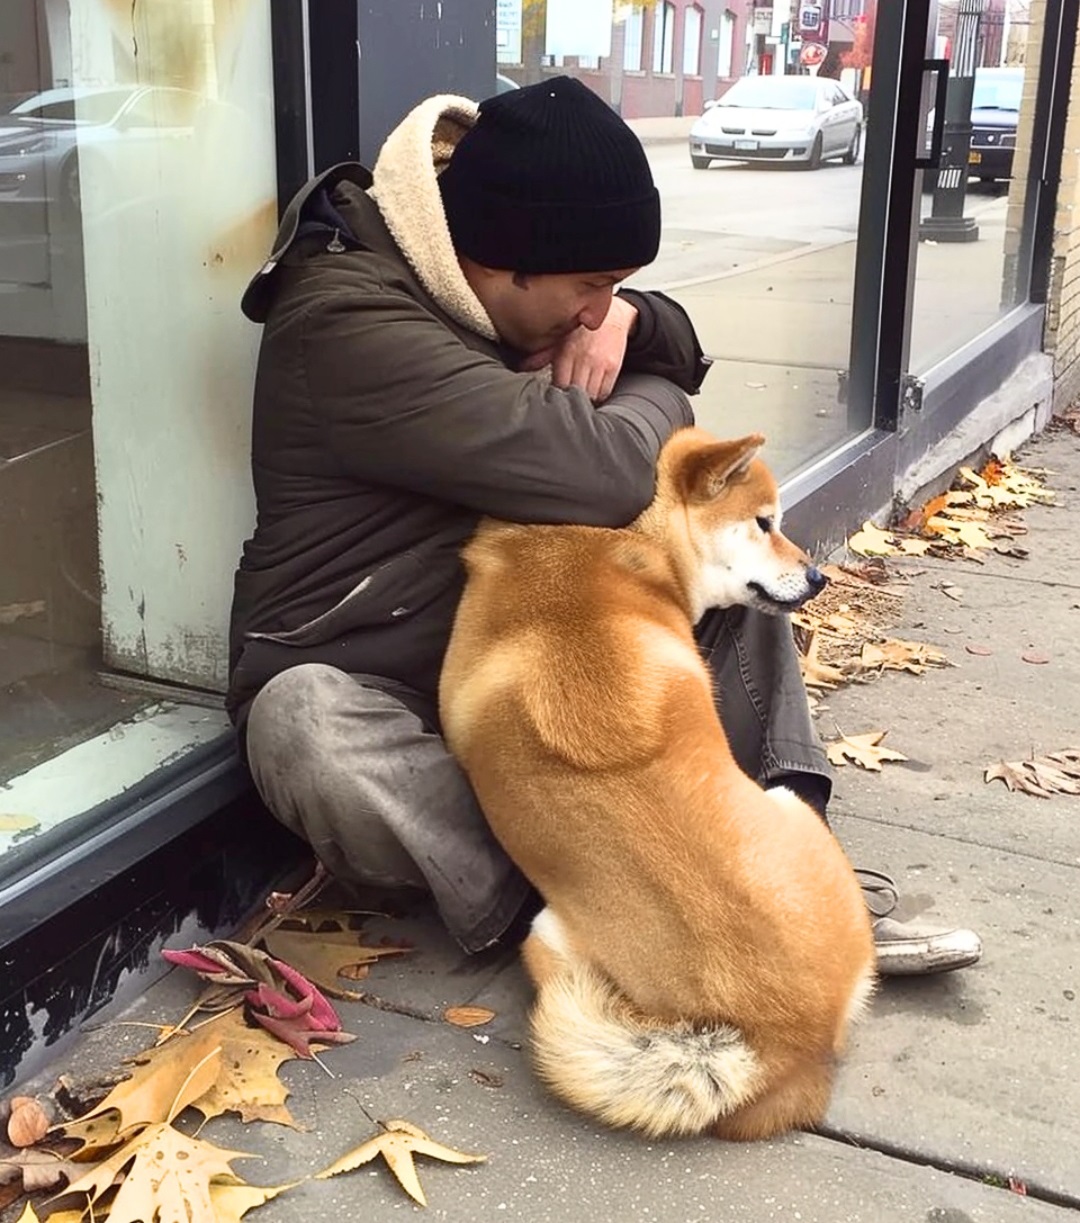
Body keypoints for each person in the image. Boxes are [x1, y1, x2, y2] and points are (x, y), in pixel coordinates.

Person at [228, 76, 981, 976]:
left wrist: (630, 317)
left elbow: (671, 343)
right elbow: (606, 471)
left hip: (521, 638)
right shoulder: (349, 321)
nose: (595, 313)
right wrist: (655, 382)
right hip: (375, 669)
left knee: (722, 568)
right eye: (593, 286)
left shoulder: (500, 270)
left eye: (612, 288)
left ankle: (792, 864)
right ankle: (574, 919)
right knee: (304, 724)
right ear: (503, 261)